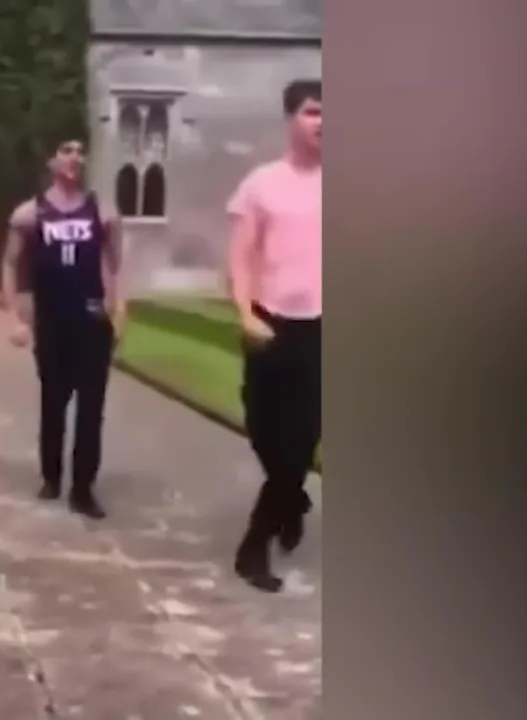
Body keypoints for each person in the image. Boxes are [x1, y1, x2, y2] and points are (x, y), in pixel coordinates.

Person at [226, 79, 322, 593]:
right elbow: (240, 256)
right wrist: (244, 312)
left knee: (301, 439)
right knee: (264, 432)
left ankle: (253, 546)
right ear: (291, 118)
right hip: (269, 321)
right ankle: (292, 497)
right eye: (313, 111)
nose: (323, 122)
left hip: (321, 328)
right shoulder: (261, 184)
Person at [2, 139, 125, 520]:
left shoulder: (103, 212)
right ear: (51, 161)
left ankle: (83, 488)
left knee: (91, 408)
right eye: (66, 151)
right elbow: (9, 264)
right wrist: (15, 316)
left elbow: (115, 264)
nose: (75, 158)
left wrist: (119, 308)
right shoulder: (30, 214)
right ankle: (51, 476)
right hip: (52, 321)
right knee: (53, 402)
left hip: (91, 320)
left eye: (80, 152)